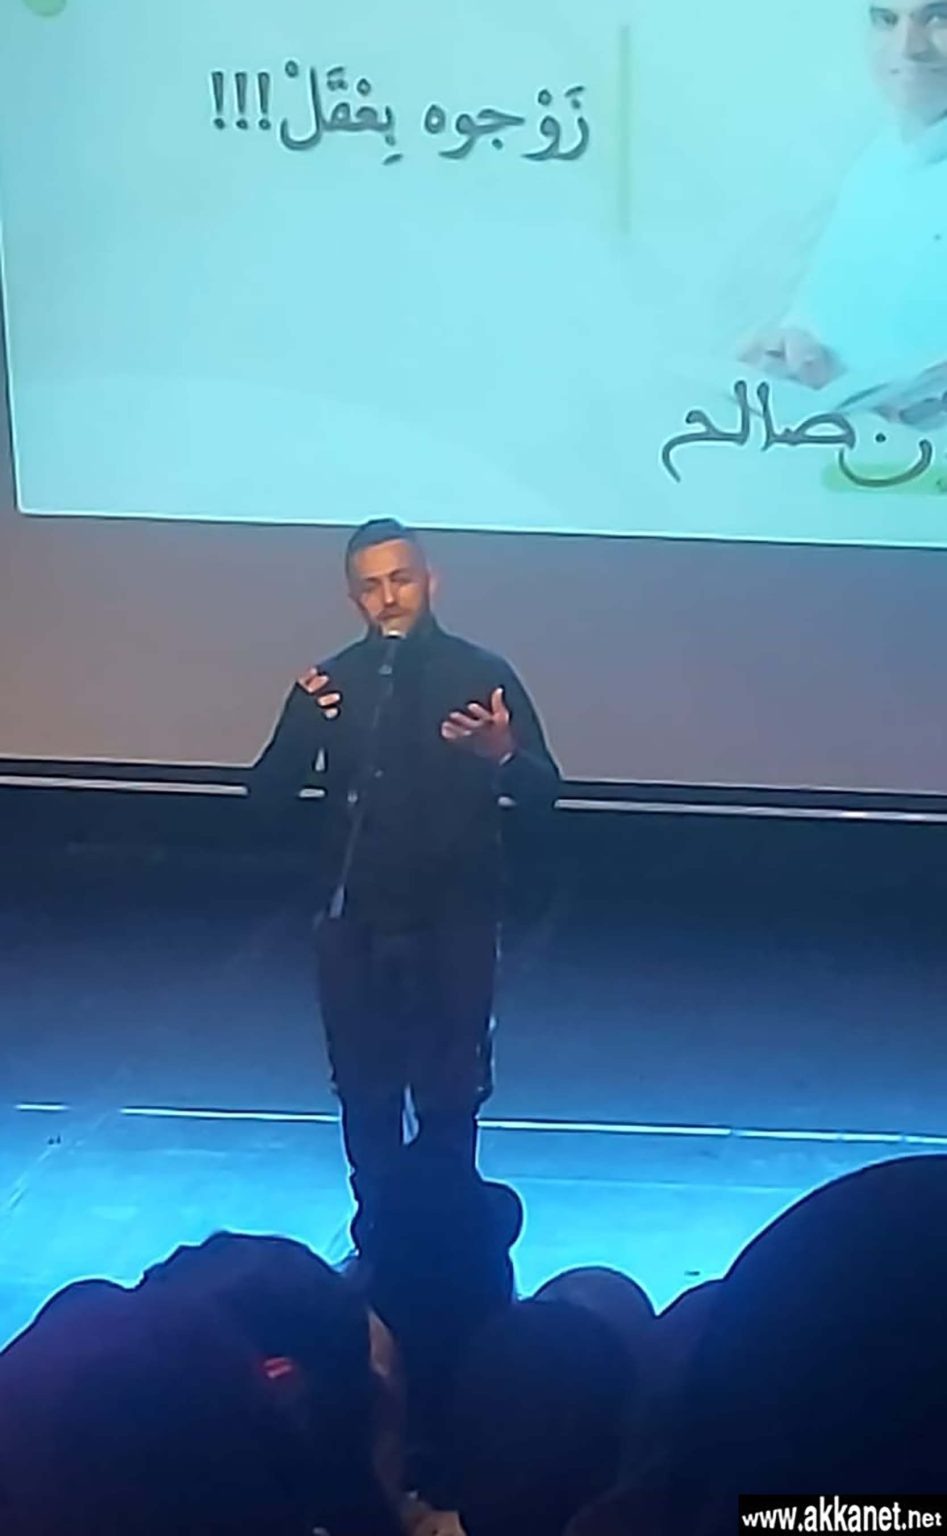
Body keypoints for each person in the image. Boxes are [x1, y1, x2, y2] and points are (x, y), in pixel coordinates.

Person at [251, 519, 560, 1251]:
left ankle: (448, 1241)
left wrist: (501, 754)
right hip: (355, 919)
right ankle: (377, 1240)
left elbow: (545, 792)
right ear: (352, 598)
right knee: (365, 1092)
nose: (388, 598)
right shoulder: (331, 685)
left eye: (401, 579)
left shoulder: (479, 674)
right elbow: (263, 799)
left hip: (454, 918)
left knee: (450, 1092)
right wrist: (302, 733)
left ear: (431, 581)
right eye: (371, 586)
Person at [741, 2, 947, 424]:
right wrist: (788, 348)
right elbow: (822, 323)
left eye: (940, 17)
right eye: (886, 19)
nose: (908, 47)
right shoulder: (879, 159)